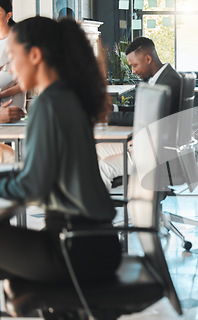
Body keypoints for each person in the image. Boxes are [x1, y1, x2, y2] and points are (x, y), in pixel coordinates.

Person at [0, 16, 121, 282]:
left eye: (12, 57)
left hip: (74, 250)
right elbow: (38, 174)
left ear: (34, 55)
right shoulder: (66, 97)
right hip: (96, 244)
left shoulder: (49, 104)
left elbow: (33, 186)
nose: (10, 68)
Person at [97, 37, 181, 189]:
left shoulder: (169, 84)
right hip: (148, 144)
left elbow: (147, 117)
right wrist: (114, 109)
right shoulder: (164, 78)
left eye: (135, 65)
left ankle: (95, 207)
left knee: (103, 166)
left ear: (148, 58)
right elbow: (144, 111)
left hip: (154, 153)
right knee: (96, 150)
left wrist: (106, 117)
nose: (134, 71)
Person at [0, 0, 27, 162]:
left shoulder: (19, 40)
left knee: (13, 150)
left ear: (8, 16)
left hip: (12, 101)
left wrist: (3, 93)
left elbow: (25, 81)